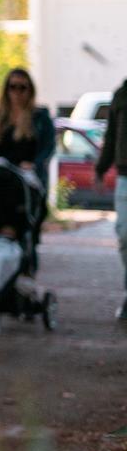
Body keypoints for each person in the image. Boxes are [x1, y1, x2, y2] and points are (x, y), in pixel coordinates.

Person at [0, 69, 56, 190]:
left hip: (29, 180)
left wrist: (34, 164)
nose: (17, 92)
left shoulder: (40, 117)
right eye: (13, 87)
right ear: (6, 90)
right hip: (0, 180)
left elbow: (49, 147)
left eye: (22, 87)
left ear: (30, 90)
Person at [95, 78, 127, 320]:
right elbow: (112, 134)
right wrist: (101, 168)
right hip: (125, 175)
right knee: (124, 233)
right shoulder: (121, 94)